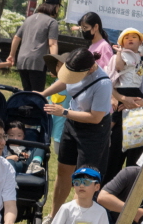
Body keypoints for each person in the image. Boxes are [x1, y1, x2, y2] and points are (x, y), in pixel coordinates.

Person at [46, 49, 113, 213]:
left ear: (90, 69)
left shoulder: (103, 83)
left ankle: (76, 219)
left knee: (84, 178)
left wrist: (64, 112)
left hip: (93, 131)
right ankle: (54, 216)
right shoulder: (74, 67)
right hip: (72, 123)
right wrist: (43, 94)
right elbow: (64, 81)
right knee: (63, 170)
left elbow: (95, 117)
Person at [9, 0, 60, 95]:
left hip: (22, 60)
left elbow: (16, 38)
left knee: (26, 91)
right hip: (37, 61)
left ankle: (24, 109)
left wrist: (12, 55)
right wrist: (54, 65)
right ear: (55, 6)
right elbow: (52, 44)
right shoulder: (52, 22)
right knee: (37, 94)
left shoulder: (29, 19)